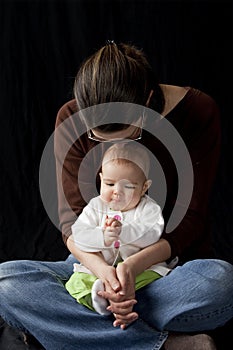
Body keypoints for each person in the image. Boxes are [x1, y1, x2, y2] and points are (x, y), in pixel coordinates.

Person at [0, 41, 232, 350]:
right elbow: (72, 222)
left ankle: (74, 327)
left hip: (165, 270)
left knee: (222, 282)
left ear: (147, 100)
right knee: (6, 282)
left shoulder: (198, 112)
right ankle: (162, 344)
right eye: (99, 138)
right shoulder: (71, 119)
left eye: (129, 134)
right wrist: (107, 275)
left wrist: (130, 269)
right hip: (94, 266)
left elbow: (188, 220)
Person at [65, 142, 168, 316]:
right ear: (101, 179)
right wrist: (102, 237)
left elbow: (152, 233)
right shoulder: (95, 206)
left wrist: (123, 231)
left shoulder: (149, 209)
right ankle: (101, 301)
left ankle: (116, 301)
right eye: (110, 184)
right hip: (98, 269)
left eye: (128, 186)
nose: (117, 192)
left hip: (139, 270)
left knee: (156, 281)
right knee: (76, 283)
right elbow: (79, 234)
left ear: (144, 187)